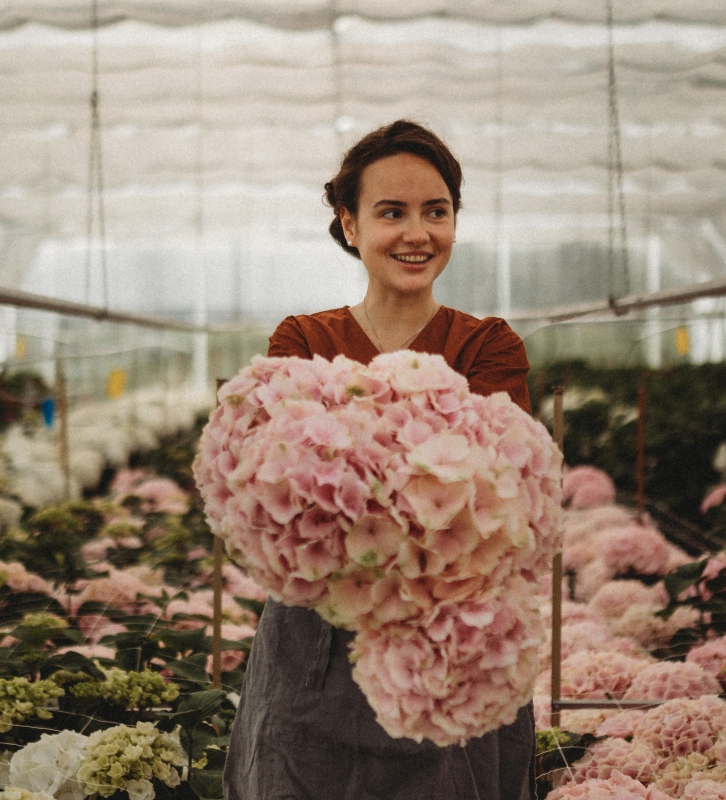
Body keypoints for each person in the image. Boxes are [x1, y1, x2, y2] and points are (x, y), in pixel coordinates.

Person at [223, 120, 536, 800]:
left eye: (436, 211)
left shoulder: (489, 346)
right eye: (391, 212)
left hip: (447, 637)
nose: (417, 233)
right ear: (351, 224)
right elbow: (275, 496)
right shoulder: (302, 339)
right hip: (316, 641)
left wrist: (353, 470)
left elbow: (497, 496)